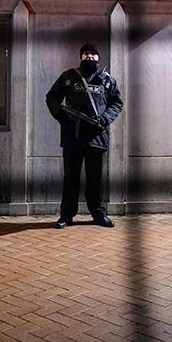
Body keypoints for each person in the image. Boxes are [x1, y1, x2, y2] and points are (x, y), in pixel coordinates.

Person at [46, 43, 123, 229]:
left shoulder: (107, 80)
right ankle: (66, 215)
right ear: (81, 57)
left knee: (96, 179)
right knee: (71, 178)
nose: (89, 56)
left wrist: (104, 119)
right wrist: (63, 118)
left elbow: (117, 103)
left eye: (93, 53)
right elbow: (52, 98)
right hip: (73, 136)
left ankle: (98, 214)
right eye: (86, 53)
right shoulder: (69, 77)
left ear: (99, 57)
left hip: (97, 137)